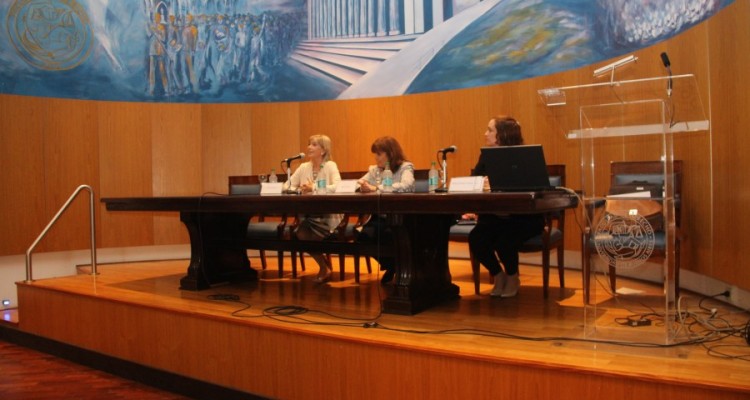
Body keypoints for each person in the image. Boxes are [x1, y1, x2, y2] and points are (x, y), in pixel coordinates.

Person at [467, 116, 544, 297]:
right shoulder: (485, 156)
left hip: (523, 218)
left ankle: (512, 276)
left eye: (490, 130)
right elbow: (475, 181)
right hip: (494, 217)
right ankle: (498, 274)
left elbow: (536, 187)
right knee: (476, 238)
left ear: (502, 135)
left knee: (504, 240)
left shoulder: (525, 156)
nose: (485, 134)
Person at [357, 136, 415, 283]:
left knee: (391, 233)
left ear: (390, 153)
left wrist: (377, 188)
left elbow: (407, 186)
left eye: (379, 154)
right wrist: (362, 186)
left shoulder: (405, 167)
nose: (376, 158)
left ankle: (402, 267)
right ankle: (392, 265)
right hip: (380, 217)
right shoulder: (374, 170)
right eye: (375, 154)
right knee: (363, 236)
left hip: (400, 217)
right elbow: (358, 183)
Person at [289, 134, 342, 283]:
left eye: (314, 145)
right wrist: (300, 189)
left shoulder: (330, 165)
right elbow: (288, 186)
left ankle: (324, 267)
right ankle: (324, 265)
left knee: (304, 233)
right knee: (302, 232)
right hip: (308, 214)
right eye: (309, 144)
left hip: (328, 214)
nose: (309, 147)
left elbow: (338, 186)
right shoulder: (303, 166)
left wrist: (315, 187)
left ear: (323, 150)